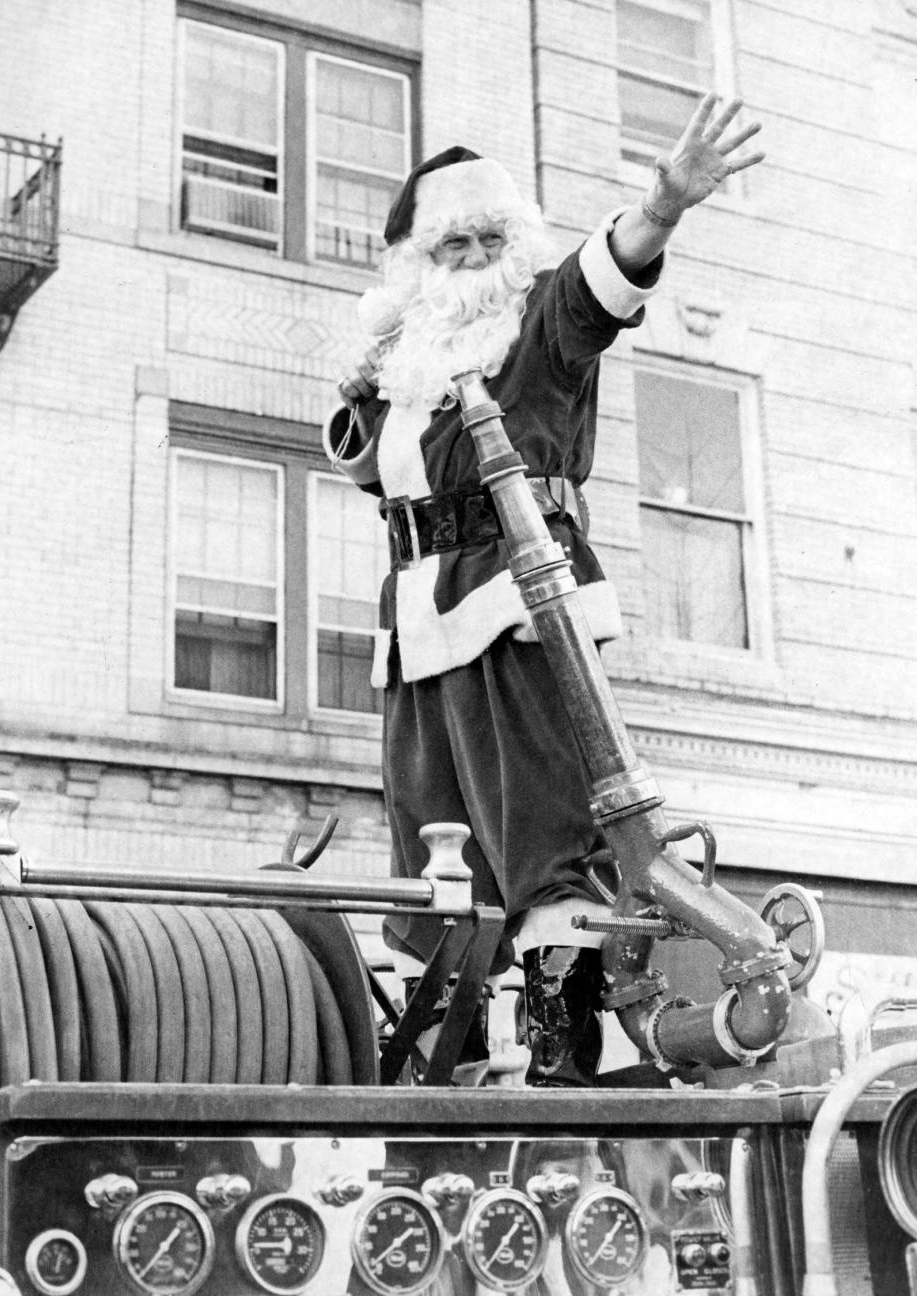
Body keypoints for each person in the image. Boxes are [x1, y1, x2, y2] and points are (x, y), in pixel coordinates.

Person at [325, 93, 764, 1087]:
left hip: (519, 614)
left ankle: (567, 1046)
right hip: (415, 634)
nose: (473, 257)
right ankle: (444, 1058)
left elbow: (601, 279)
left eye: (491, 237)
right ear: (419, 262)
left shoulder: (539, 331)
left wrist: (664, 202)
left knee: (545, 847)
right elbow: (375, 462)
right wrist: (373, 358)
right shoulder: (402, 366)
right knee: (427, 863)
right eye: (452, 244)